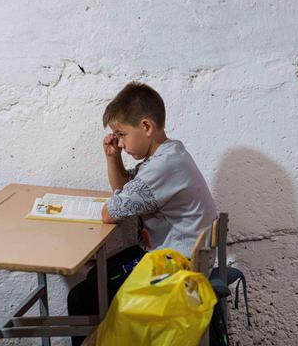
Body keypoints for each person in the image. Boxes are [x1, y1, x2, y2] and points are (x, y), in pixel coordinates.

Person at [67, 81, 217, 346]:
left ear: (146, 127)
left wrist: (114, 202)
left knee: (83, 295)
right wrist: (113, 158)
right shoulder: (169, 154)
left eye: (122, 134)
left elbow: (110, 212)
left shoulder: (164, 167)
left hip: (179, 269)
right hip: (177, 255)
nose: (120, 143)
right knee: (96, 276)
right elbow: (125, 188)